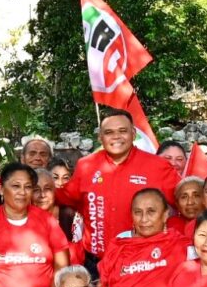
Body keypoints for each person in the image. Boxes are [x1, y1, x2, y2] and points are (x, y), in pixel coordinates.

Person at [57, 109, 179, 271]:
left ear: (133, 134)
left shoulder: (158, 166)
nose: (116, 137)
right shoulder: (86, 165)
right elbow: (63, 198)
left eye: (123, 131)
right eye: (109, 132)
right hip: (95, 264)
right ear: (100, 137)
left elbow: (187, 202)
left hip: (142, 264)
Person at [34, 168, 84, 265]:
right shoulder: (24, 218)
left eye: (47, 189)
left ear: (55, 192)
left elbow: (78, 257)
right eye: (36, 190)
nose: (42, 195)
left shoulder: (71, 217)